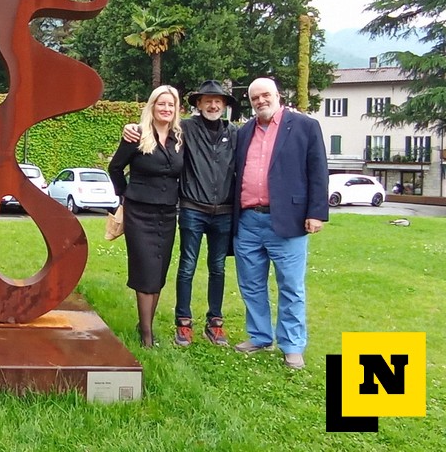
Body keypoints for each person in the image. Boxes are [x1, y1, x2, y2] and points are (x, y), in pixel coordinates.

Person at [123, 79, 238, 348]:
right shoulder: (185, 129)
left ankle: (215, 322)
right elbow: (156, 126)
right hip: (192, 209)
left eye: (218, 101)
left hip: (224, 211)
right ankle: (183, 323)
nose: (213, 105)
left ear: (224, 105)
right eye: (207, 100)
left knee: (218, 267)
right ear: (198, 104)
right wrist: (130, 127)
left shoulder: (234, 133)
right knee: (187, 266)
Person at [232, 77, 329, 370]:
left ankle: (292, 345)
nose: (260, 101)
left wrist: (316, 212)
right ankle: (260, 336)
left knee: (291, 285)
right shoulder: (244, 132)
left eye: (265, 95)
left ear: (278, 95)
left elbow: (318, 171)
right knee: (251, 284)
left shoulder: (304, 126)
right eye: (254, 98)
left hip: (288, 220)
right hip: (248, 220)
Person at [109, 85, 184, 348]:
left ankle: (145, 323)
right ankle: (147, 337)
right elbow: (115, 168)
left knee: (159, 271)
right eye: (161, 103)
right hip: (139, 213)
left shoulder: (179, 139)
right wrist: (125, 195)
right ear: (152, 106)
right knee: (144, 271)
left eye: (171, 104)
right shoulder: (137, 135)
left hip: (167, 214)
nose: (166, 108)